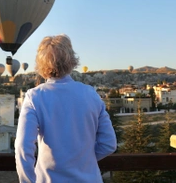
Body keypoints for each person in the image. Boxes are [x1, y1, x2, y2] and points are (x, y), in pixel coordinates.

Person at [15, 34, 117, 183]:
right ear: (71, 60)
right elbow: (109, 144)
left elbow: (23, 147)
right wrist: (82, 160)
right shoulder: (91, 94)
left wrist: (28, 181)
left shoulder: (34, 96)